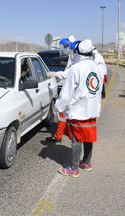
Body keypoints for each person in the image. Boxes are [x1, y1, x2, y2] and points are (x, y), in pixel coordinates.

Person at [55, 39, 103, 177]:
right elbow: (97, 89)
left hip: (79, 110)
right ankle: (86, 162)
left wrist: (59, 107)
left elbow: (67, 93)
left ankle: (74, 168)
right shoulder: (97, 68)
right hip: (92, 110)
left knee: (77, 139)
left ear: (78, 53)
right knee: (89, 137)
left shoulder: (76, 69)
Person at [46, 36, 77, 143]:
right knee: (64, 114)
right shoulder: (72, 56)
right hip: (70, 88)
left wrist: (54, 74)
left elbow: (68, 73)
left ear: (70, 46)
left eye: (65, 46)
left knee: (65, 113)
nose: (64, 49)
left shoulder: (75, 57)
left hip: (72, 91)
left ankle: (70, 138)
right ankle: (61, 135)